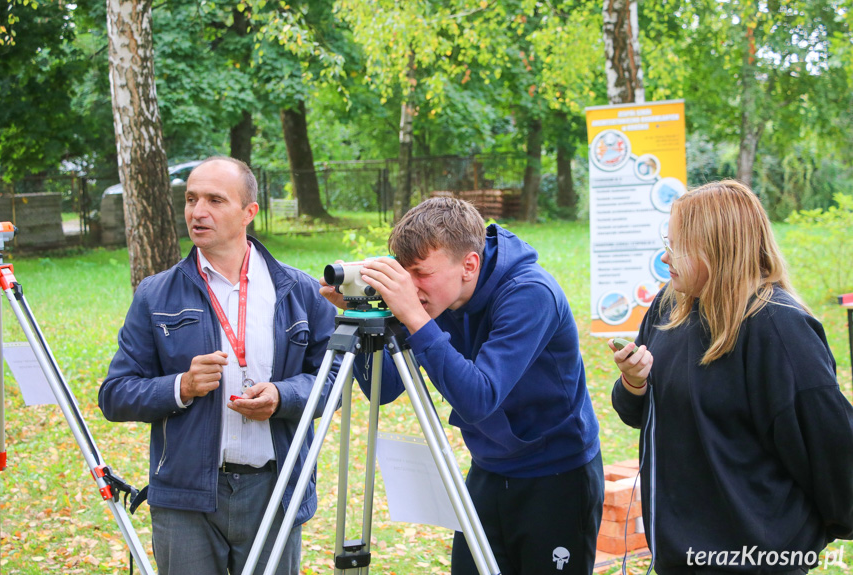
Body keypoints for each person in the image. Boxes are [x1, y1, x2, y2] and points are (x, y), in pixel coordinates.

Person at [320, 197, 604, 575]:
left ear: (469, 265)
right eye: (404, 274)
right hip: (489, 468)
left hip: (555, 475)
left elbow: (479, 398)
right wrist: (361, 312)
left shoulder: (530, 294)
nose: (412, 287)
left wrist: (414, 316)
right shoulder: (439, 296)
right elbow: (384, 388)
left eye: (421, 273)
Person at [100, 156, 340, 575]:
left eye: (215, 200)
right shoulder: (156, 295)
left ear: (250, 212)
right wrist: (182, 387)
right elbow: (115, 394)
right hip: (185, 497)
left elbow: (333, 378)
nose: (197, 211)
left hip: (274, 488)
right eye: (191, 199)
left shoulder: (300, 290)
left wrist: (284, 396)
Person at [609, 180, 853, 573]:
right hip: (679, 557)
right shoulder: (671, 308)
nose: (665, 256)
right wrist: (633, 382)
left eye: (677, 247)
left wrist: (795, 538)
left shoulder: (781, 330)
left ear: (717, 250)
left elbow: (832, 450)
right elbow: (641, 413)